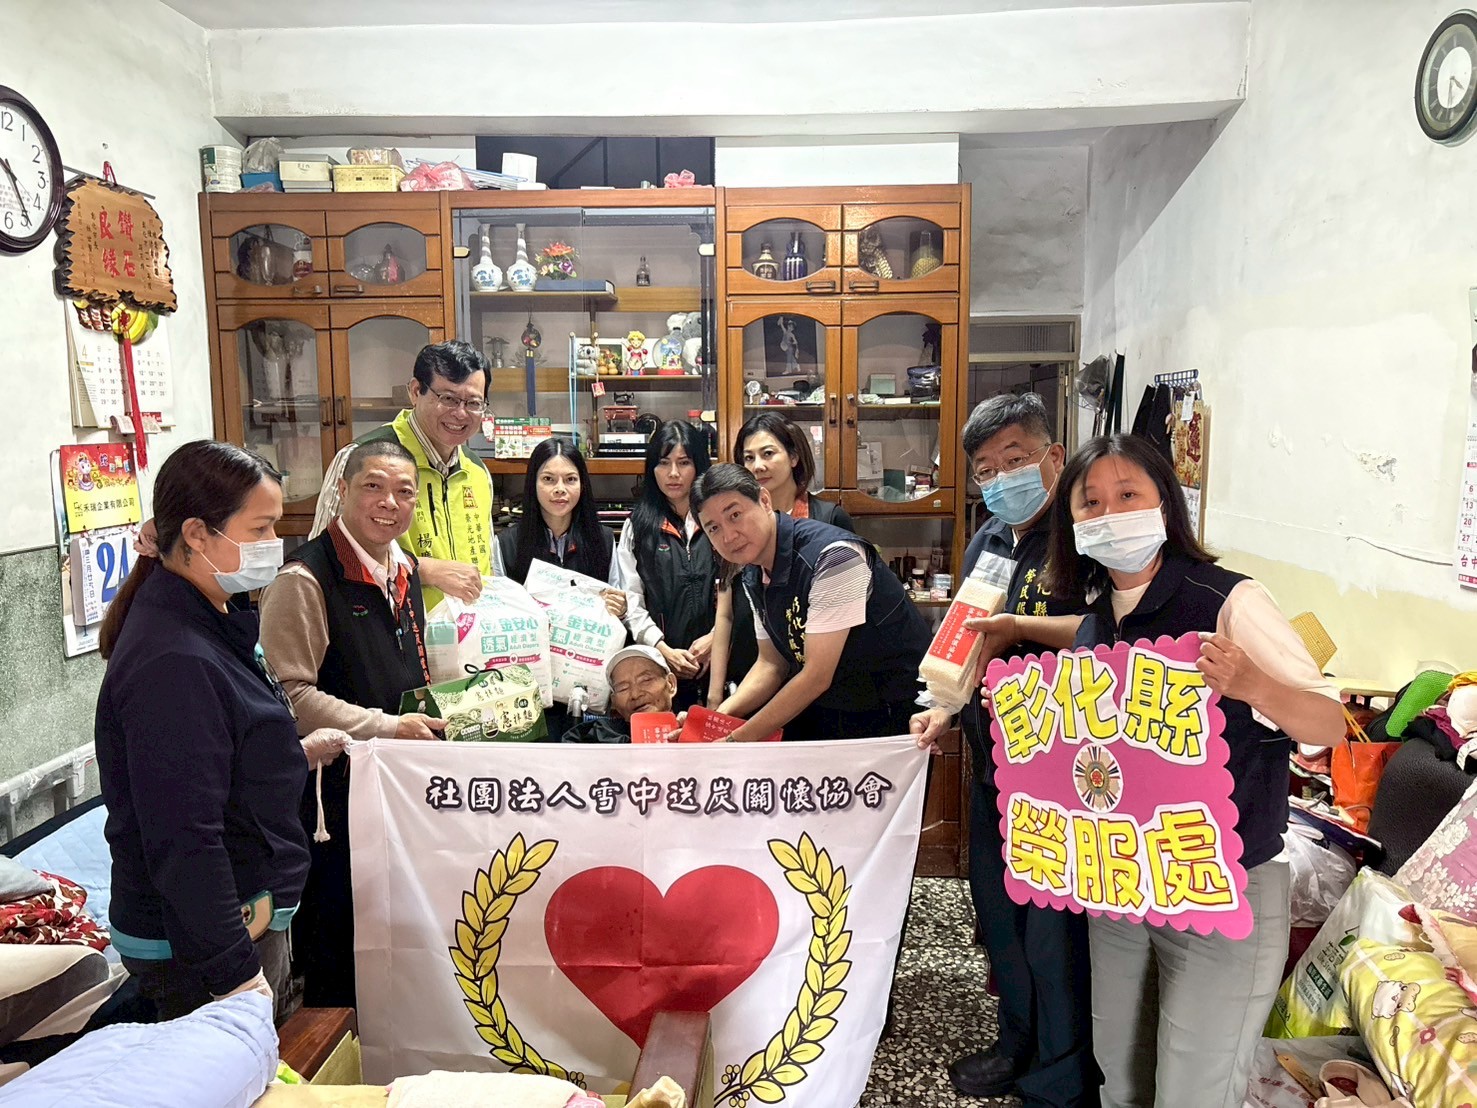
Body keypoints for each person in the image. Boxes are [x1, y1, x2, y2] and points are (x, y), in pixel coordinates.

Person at [1046, 433, 1344, 1108]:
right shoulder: (1095, 625)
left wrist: (1251, 684)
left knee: (1193, 1086)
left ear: (1165, 504)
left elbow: (1328, 726)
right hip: (1122, 881)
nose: (1109, 514)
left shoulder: (1228, 602)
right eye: (1090, 503)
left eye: (1128, 495)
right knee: (1119, 1070)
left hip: (1220, 886)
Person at [95, 440, 339, 1021]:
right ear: (198, 535)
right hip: (202, 945)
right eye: (259, 530)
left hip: (243, 908)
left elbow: (222, 746)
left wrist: (293, 754)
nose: (273, 545)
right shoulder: (174, 661)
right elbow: (184, 838)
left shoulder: (215, 613)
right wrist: (235, 976)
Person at [909, 394, 1098, 1107]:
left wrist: (1020, 626)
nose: (1000, 479)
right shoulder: (988, 538)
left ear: (1054, 456)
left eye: (1014, 460)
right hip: (994, 759)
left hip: (1066, 772)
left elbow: (1113, 630)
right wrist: (943, 706)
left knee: (1053, 932)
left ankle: (1061, 1071)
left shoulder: (1085, 534)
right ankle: (1015, 1041)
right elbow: (969, 636)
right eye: (986, 469)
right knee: (999, 915)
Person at [258, 439, 446, 1008]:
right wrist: (388, 726)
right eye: (373, 487)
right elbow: (291, 697)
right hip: (333, 795)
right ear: (342, 490)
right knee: (339, 939)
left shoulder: (403, 569)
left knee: (397, 935)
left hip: (396, 785)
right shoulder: (304, 578)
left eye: (404, 492)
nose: (389, 503)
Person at [692, 463, 930, 743]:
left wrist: (736, 740)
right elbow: (771, 664)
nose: (728, 536)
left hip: (894, 711)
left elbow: (816, 676)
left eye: (735, 515)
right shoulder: (752, 572)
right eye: (713, 528)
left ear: (764, 500)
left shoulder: (835, 557)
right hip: (838, 708)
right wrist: (712, 720)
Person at [312, 340, 494, 612]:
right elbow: (322, 560)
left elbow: (489, 562)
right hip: (384, 628)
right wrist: (422, 570)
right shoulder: (363, 458)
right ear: (416, 391)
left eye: (473, 402)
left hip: (469, 632)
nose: (460, 413)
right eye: (448, 398)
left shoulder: (477, 471)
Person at [705, 412, 851, 707]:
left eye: (768, 453)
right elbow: (725, 614)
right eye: (748, 458)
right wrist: (714, 696)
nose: (757, 465)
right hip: (755, 671)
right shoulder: (732, 525)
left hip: (816, 680)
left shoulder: (828, 520)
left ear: (794, 457)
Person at [494, 437, 628, 738]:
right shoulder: (507, 543)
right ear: (533, 483)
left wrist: (619, 608)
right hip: (527, 689)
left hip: (587, 687)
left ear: (582, 484)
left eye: (570, 479)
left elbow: (617, 604)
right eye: (548, 479)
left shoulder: (604, 540)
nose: (559, 489)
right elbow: (499, 616)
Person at [614, 421, 718, 709]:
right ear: (652, 468)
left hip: (723, 658)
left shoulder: (718, 519)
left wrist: (716, 638)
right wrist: (662, 649)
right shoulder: (637, 526)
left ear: (698, 466)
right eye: (663, 463)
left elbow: (740, 588)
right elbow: (632, 601)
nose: (673, 473)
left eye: (684, 463)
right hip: (660, 666)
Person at [563, 645, 679, 744]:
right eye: (623, 688)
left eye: (646, 680)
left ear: (671, 684)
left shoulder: (686, 729)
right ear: (614, 701)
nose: (635, 694)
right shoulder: (596, 736)